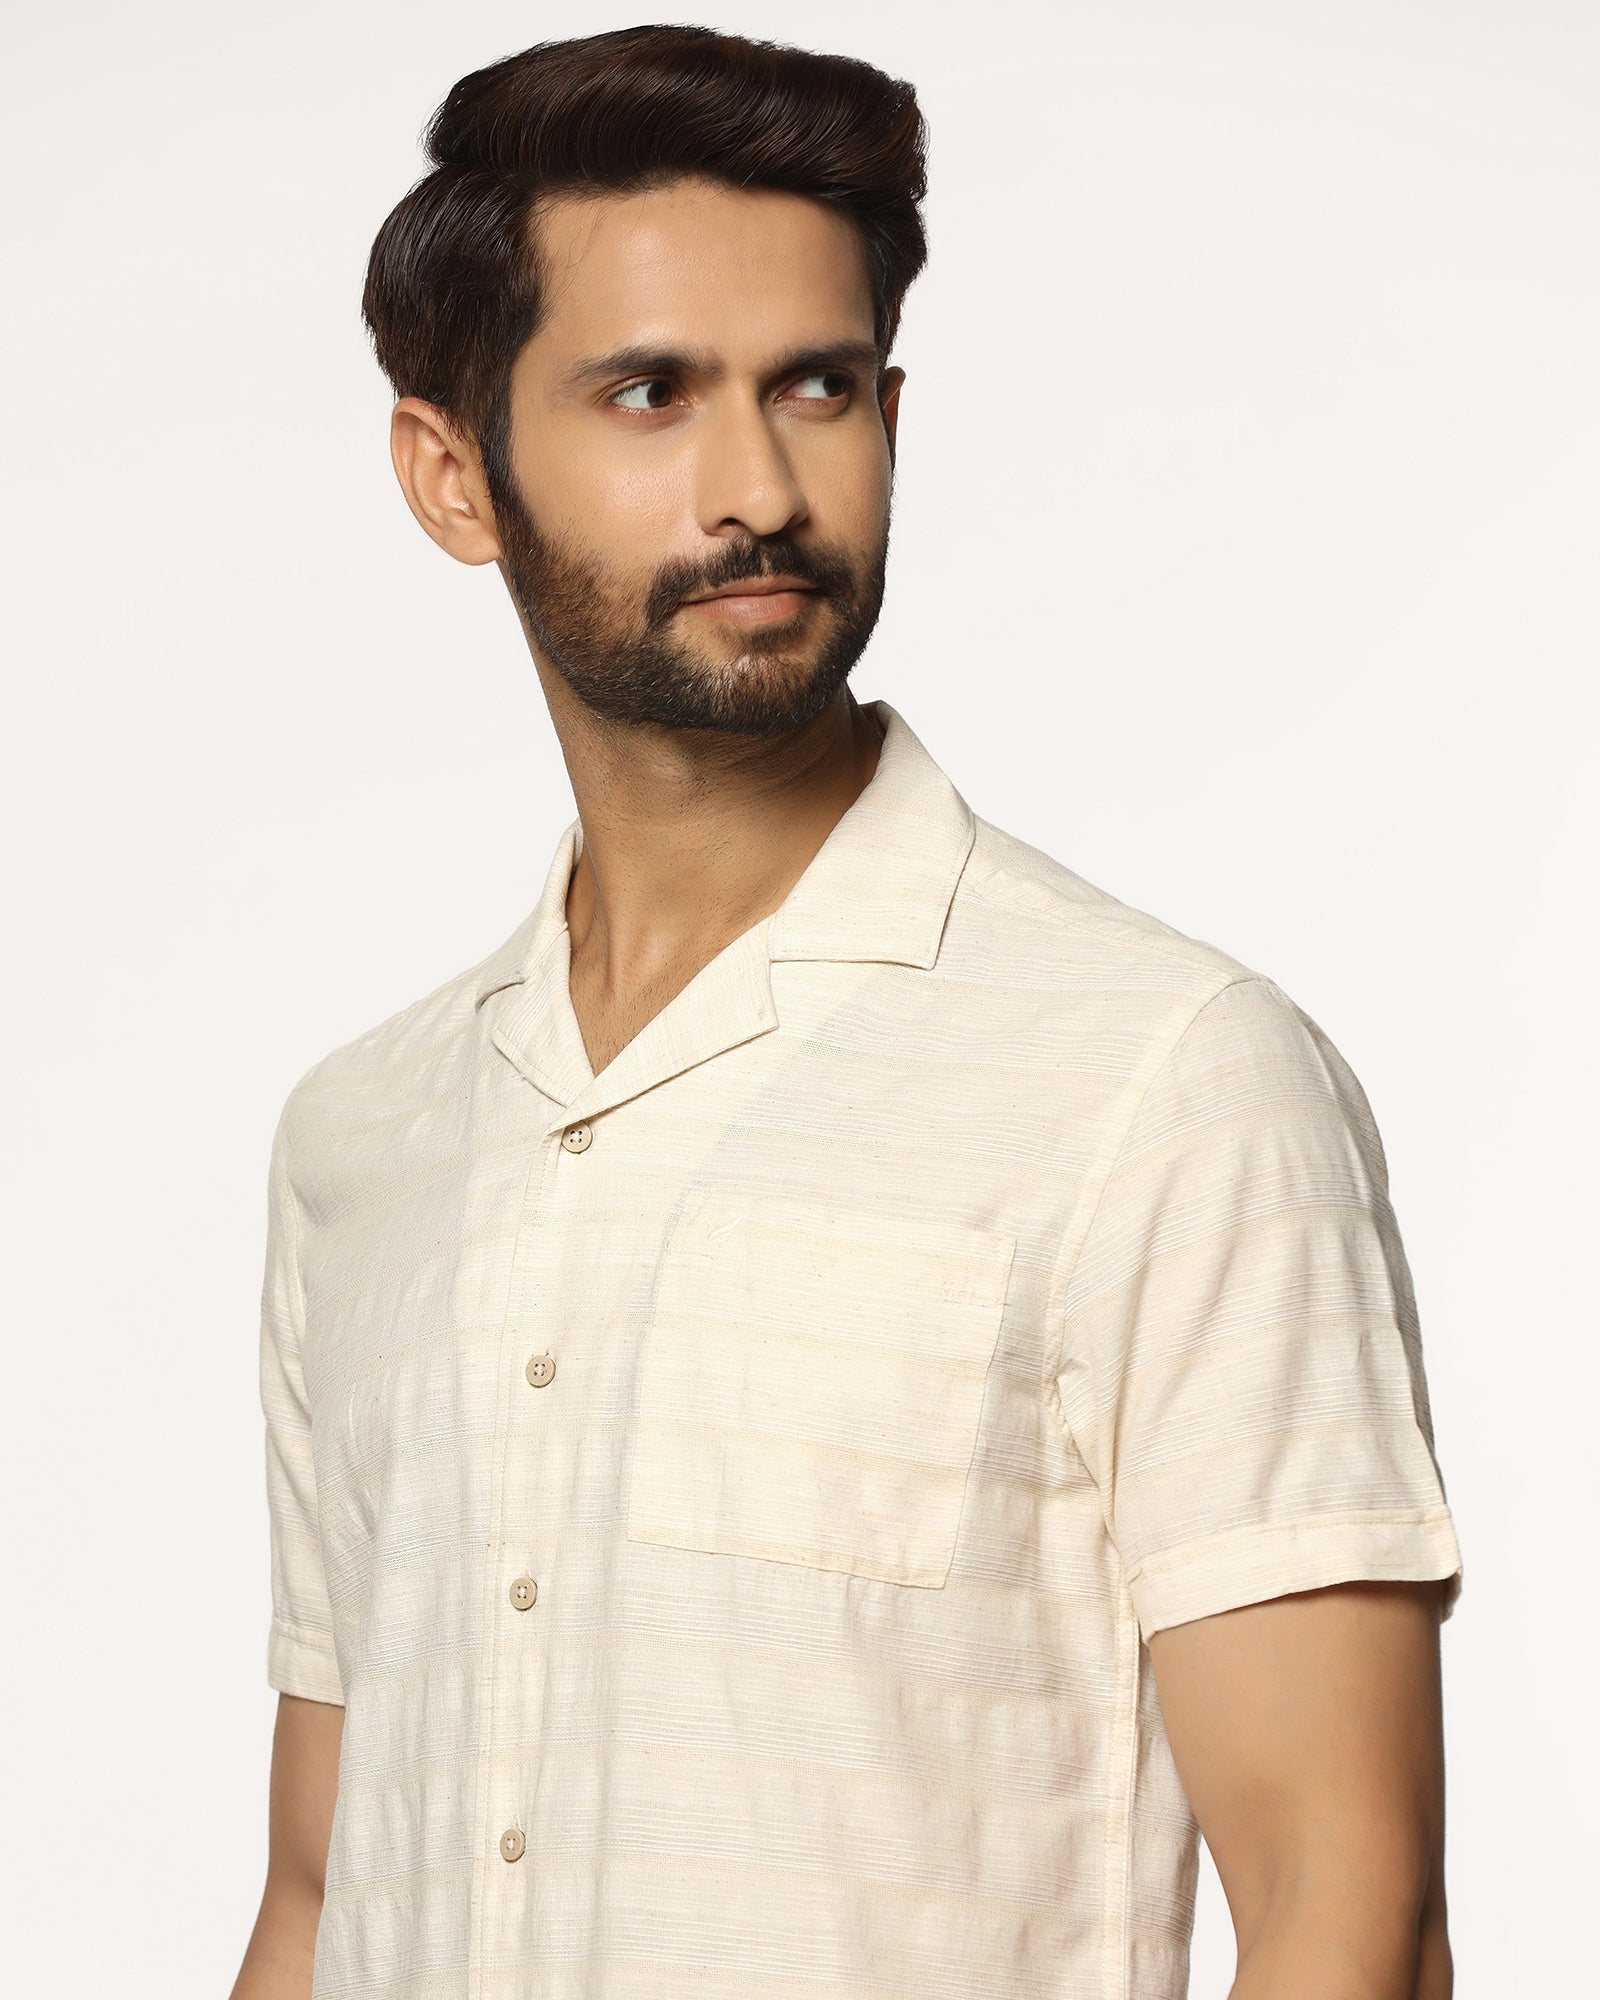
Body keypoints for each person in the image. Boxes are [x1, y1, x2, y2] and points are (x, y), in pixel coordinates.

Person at [230, 25, 1464, 2000]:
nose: (760, 489)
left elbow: (1349, 1913)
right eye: (650, 393)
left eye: (814, 387)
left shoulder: (1163, 1079)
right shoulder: (360, 1141)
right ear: (452, 476)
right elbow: (316, 1898)